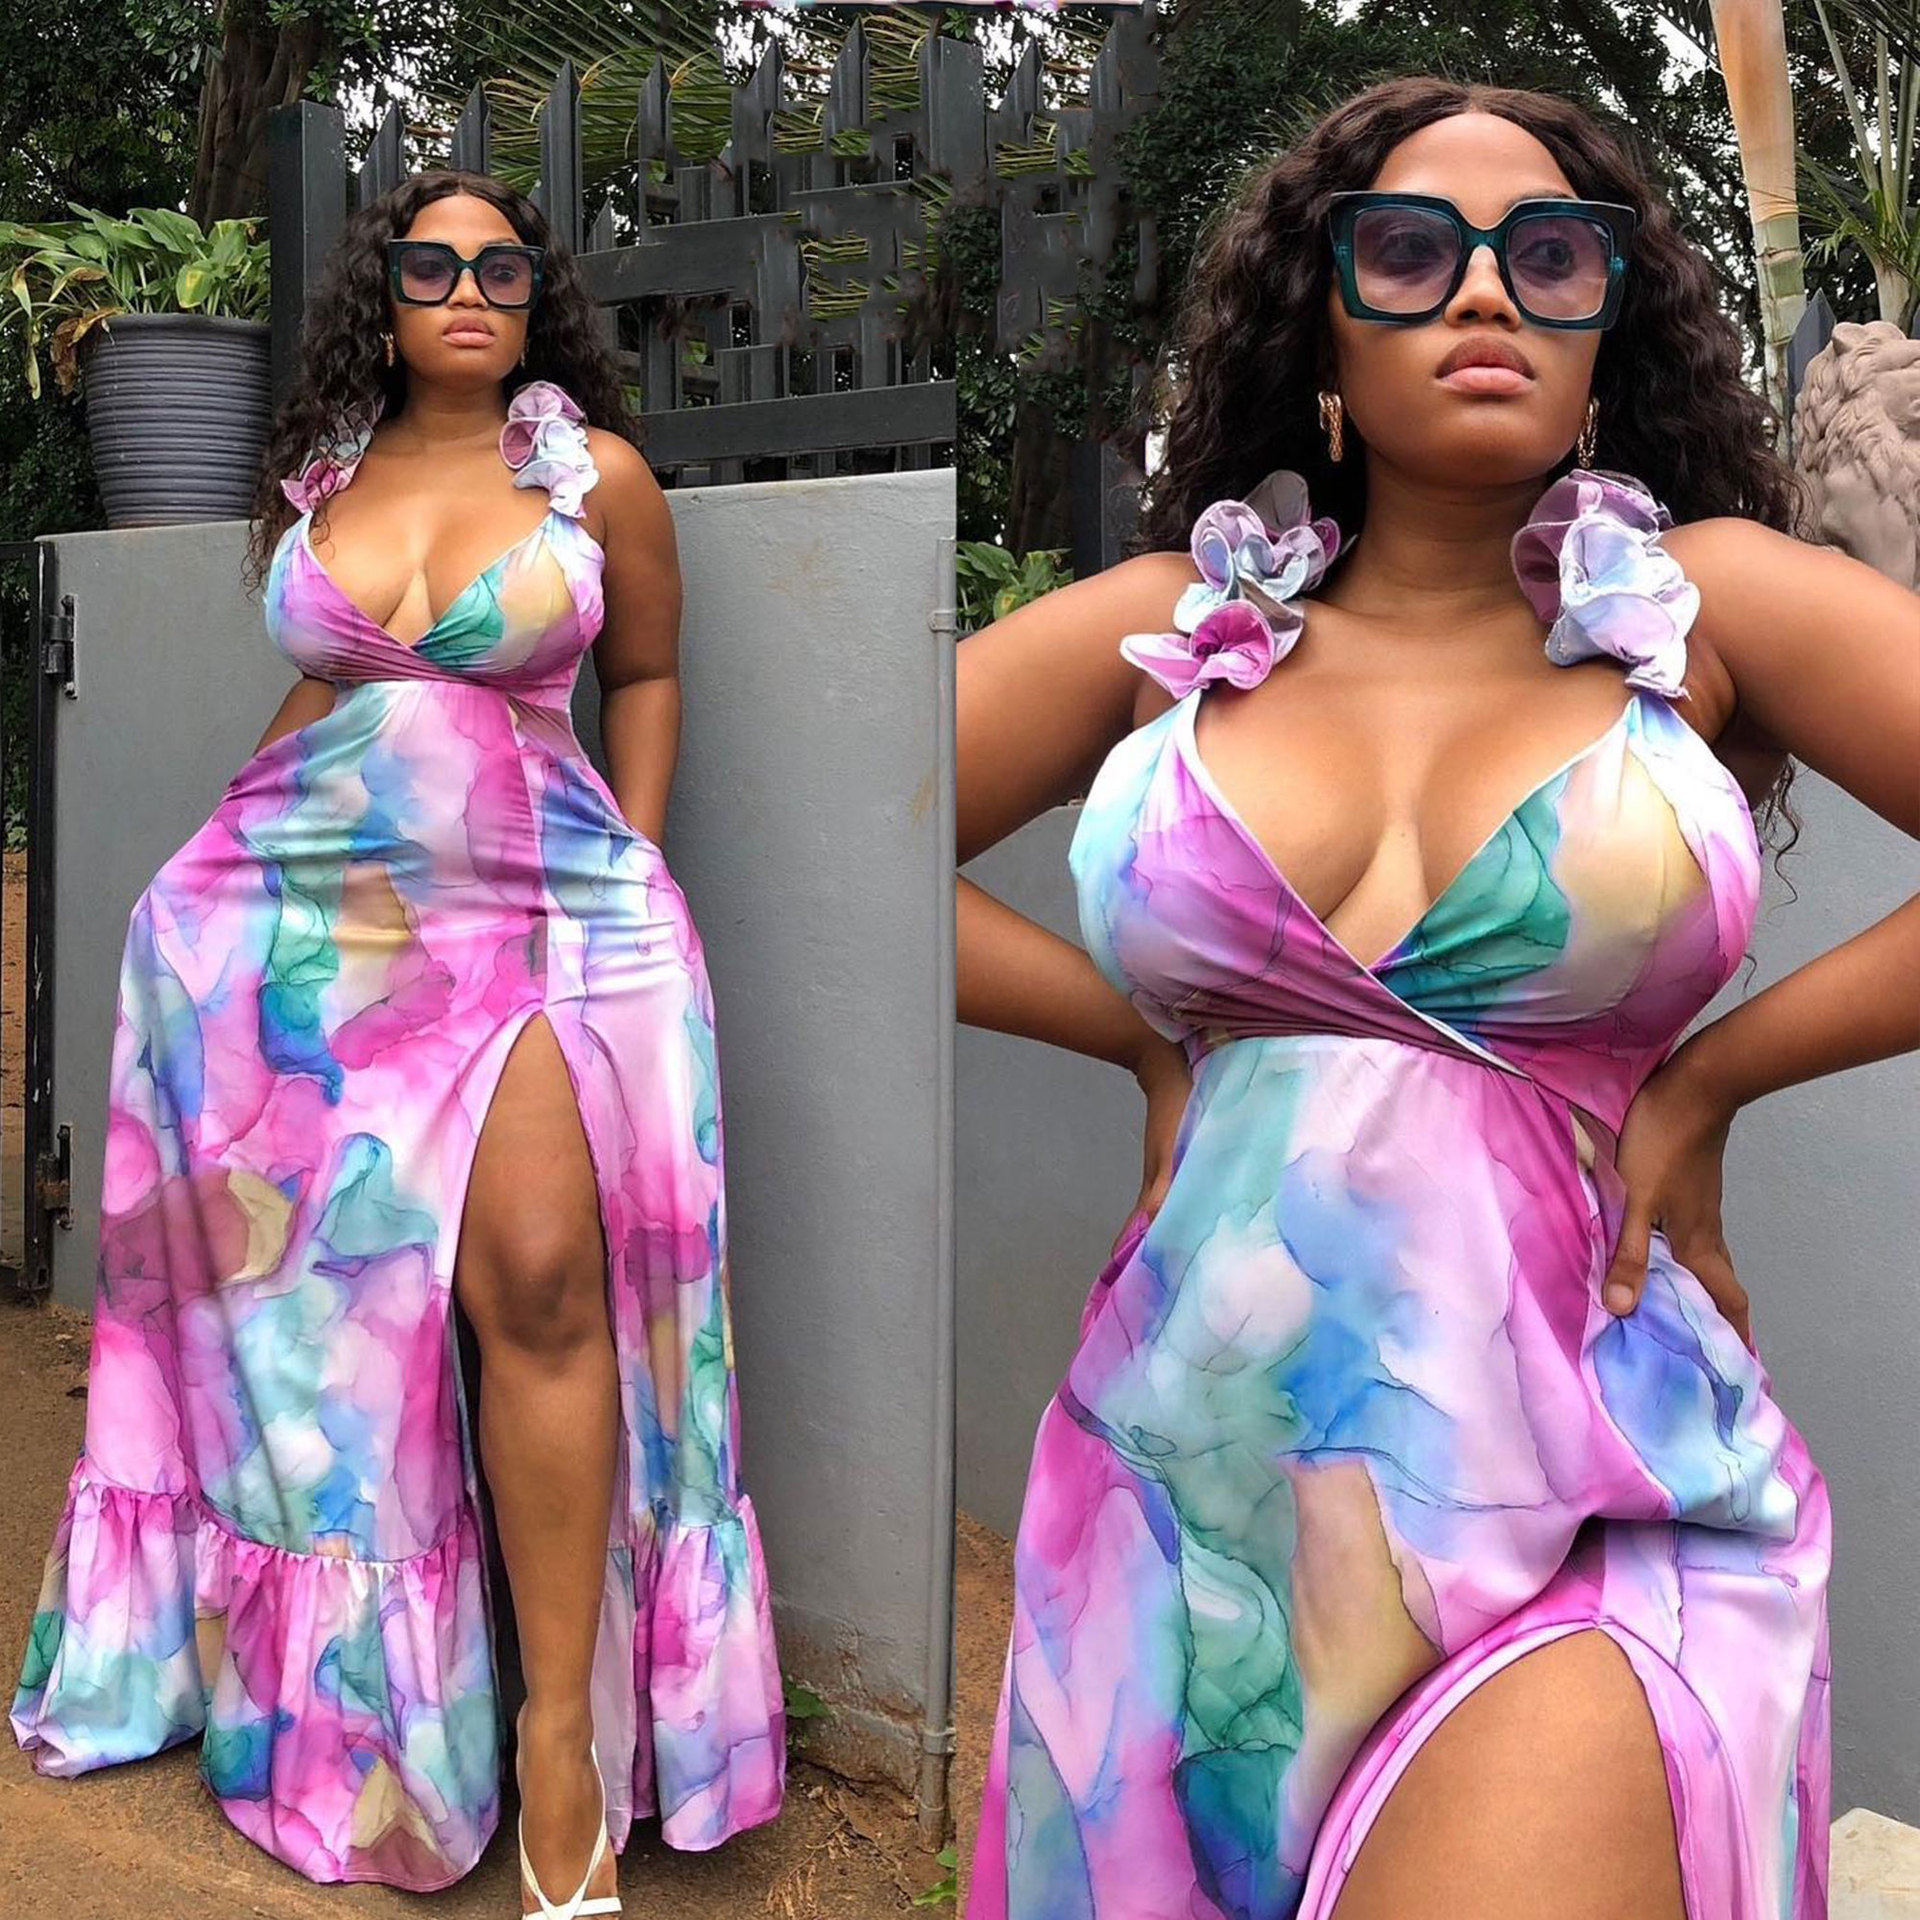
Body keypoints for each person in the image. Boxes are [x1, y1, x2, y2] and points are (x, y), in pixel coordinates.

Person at [957, 78, 1917, 1920]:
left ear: (1606, 330)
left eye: (1550, 256)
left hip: (1591, 1481)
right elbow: (825, 816)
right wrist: (1134, 1042)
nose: (1485, 290)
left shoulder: (1707, 609)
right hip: (1182, 1521)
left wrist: (1709, 1083)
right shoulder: (1179, 637)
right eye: (1409, 251)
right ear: (1321, 326)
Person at [9, 170, 786, 1915]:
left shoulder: (593, 480)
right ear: (385, 292)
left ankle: (564, 1737)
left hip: (540, 919)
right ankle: (355, 1719)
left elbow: (649, 676)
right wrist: (204, 870)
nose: (466, 289)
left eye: (501, 265)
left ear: (535, 297)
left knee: (542, 1279)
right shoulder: (325, 479)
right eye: (431, 262)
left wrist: (635, 859)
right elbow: (338, 692)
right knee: (322, 1327)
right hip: (316, 946)